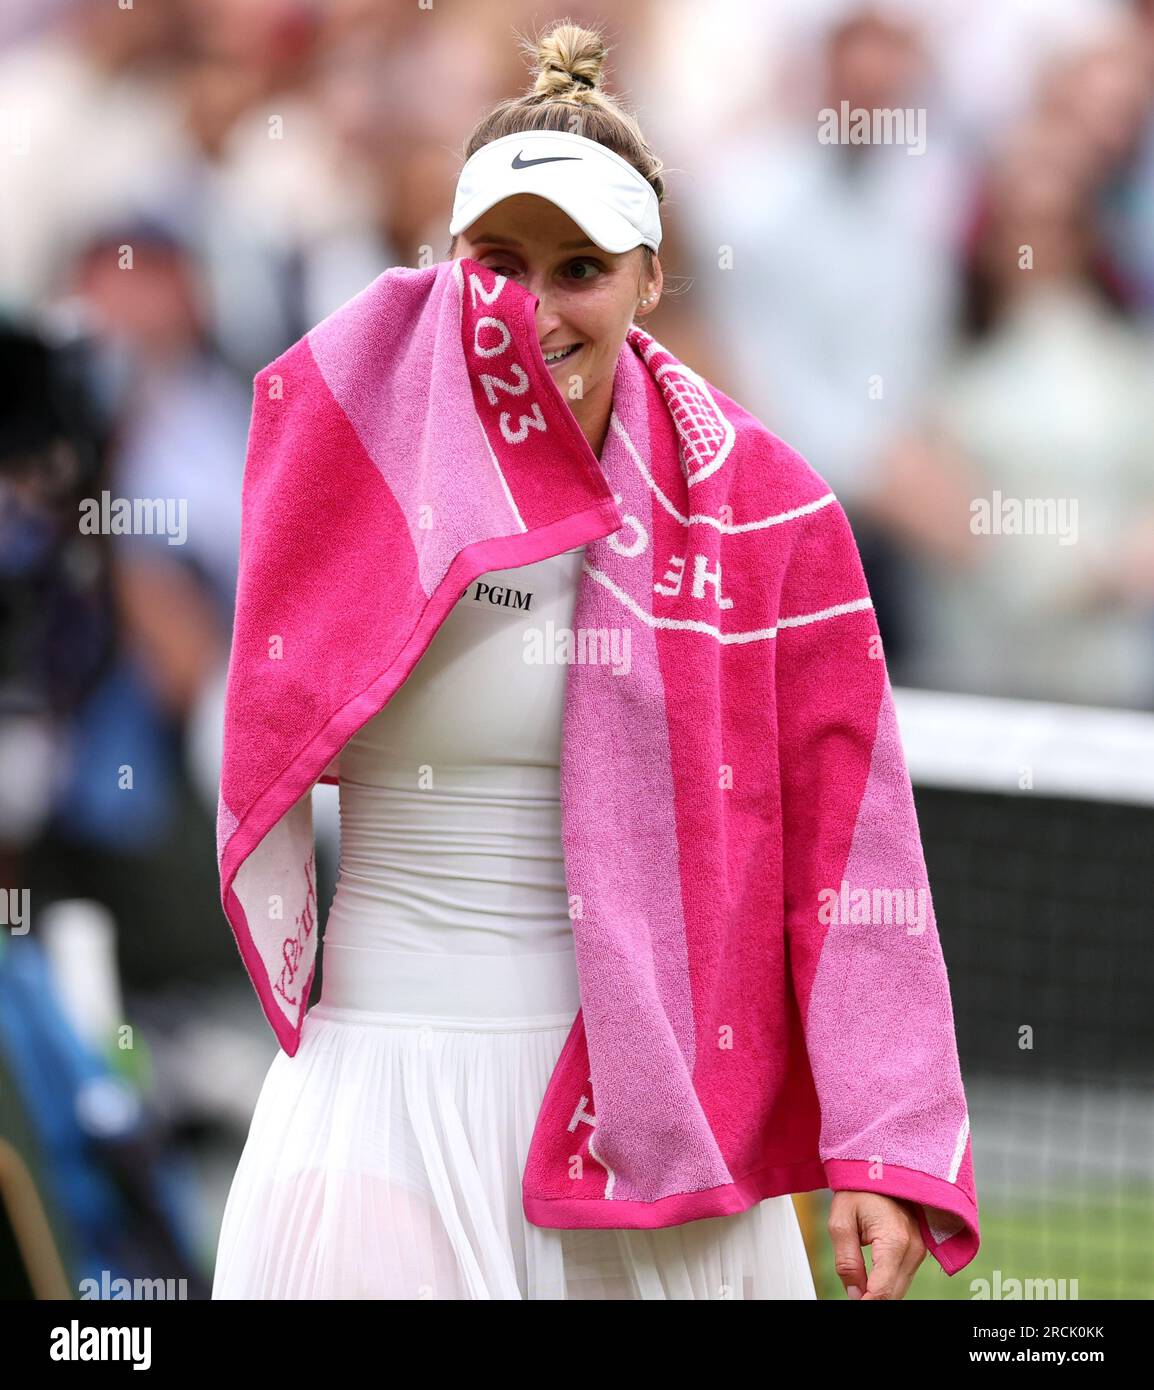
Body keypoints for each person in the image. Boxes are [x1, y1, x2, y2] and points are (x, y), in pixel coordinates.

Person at [211, 20, 948, 1301]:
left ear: (648, 280)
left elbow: (851, 841)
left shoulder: (773, 512)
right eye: (499, 262)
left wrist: (878, 1141)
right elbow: (269, 730)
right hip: (375, 1094)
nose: (534, 306)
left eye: (579, 269)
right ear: (445, 263)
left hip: (648, 1125)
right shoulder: (346, 456)